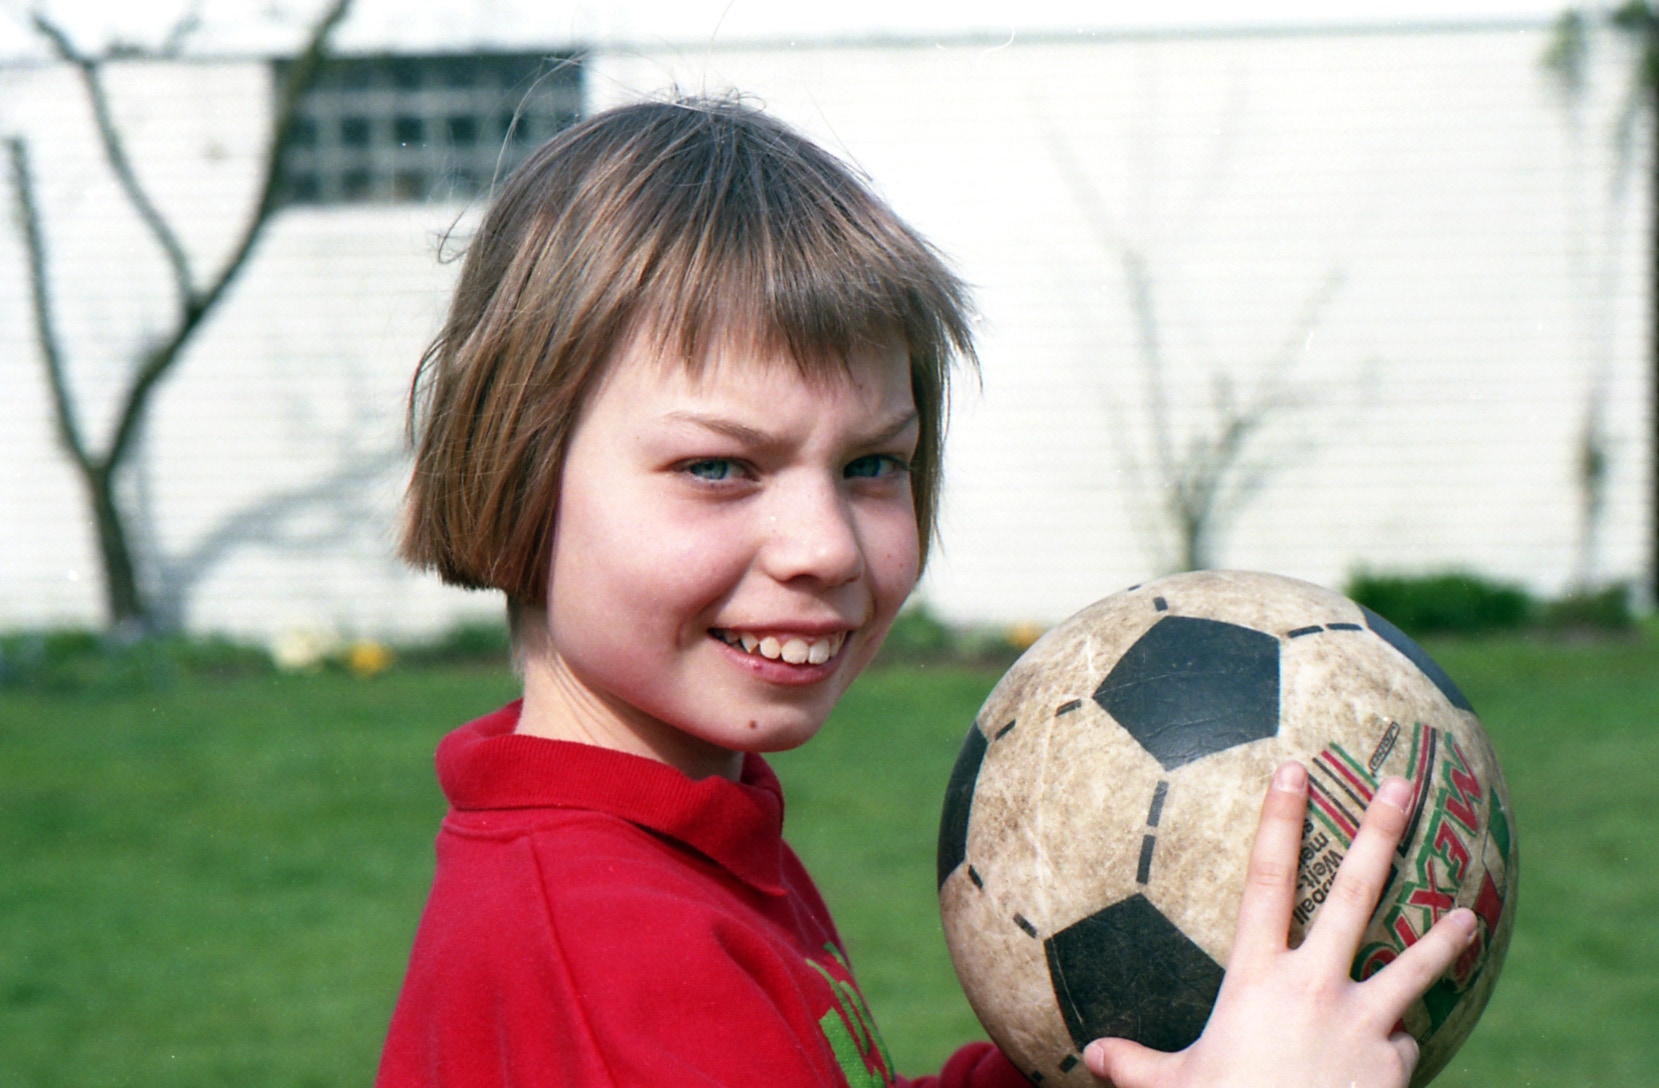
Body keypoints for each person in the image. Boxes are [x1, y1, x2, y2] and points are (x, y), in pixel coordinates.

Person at [376, 95, 1478, 1088]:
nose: (823, 547)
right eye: (718, 467)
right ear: (515, 468)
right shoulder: (611, 953)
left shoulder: (667, 837)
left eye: (872, 465)